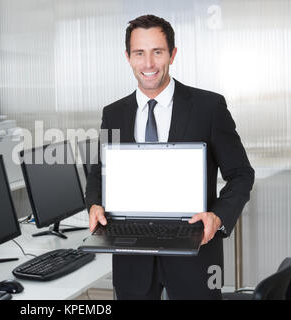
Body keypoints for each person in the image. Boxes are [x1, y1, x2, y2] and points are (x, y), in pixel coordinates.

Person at [85, 14, 255, 300]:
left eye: (157, 52)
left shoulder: (208, 106)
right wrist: (94, 205)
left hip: (196, 250)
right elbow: (98, 173)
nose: (148, 64)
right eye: (139, 53)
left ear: (172, 54)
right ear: (128, 57)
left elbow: (241, 174)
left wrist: (218, 217)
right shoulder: (113, 113)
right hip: (131, 256)